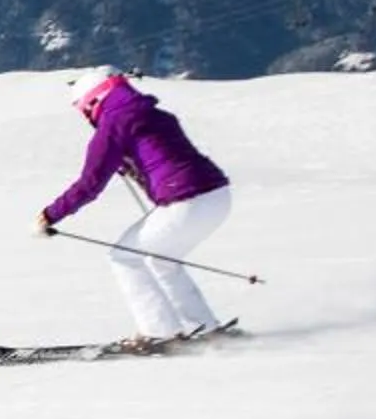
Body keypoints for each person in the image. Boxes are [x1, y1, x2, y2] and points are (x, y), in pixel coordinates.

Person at [37, 67, 235, 346]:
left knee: (123, 257)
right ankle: (205, 328)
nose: (87, 117)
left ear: (94, 102)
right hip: (217, 196)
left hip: (186, 201)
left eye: (84, 110)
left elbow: (90, 184)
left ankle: (158, 333)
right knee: (162, 259)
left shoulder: (114, 125)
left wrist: (49, 215)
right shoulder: (156, 115)